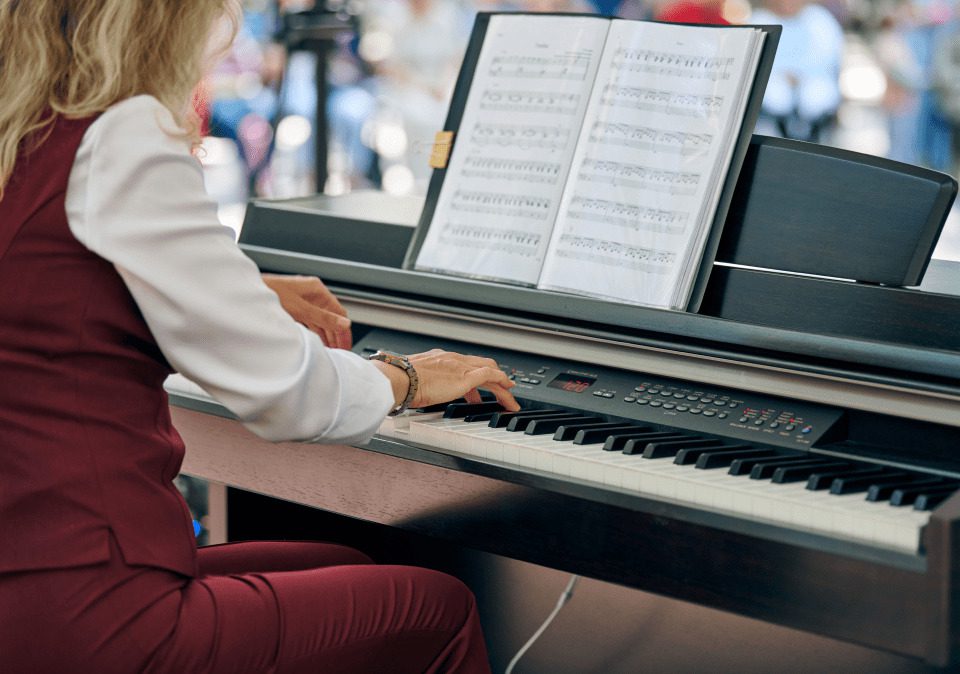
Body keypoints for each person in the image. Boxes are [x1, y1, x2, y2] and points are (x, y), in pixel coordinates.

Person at [0, 1, 519, 672]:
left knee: (342, 564)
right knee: (433, 610)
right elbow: (289, 393)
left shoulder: (23, 126)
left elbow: (48, 282)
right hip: (90, 609)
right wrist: (409, 376)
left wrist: (248, 286)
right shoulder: (119, 133)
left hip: (25, 574)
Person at [750, 0, 845, 142]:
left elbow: (828, 61)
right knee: (774, 94)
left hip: (811, 84)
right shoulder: (759, 20)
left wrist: (800, 77)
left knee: (817, 94)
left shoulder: (820, 20)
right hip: (772, 90)